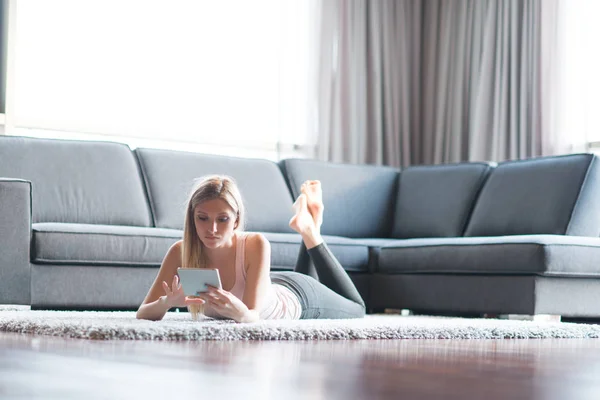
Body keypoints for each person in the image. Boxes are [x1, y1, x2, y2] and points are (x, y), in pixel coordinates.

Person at [136, 175, 365, 322]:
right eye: (203, 218)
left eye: (222, 219)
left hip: (298, 299)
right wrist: (166, 303)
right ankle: (309, 224)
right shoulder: (180, 251)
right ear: (192, 218)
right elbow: (143, 313)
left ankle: (311, 231)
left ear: (236, 221)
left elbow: (252, 318)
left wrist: (238, 311)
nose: (212, 229)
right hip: (273, 285)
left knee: (357, 308)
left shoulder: (255, 243)